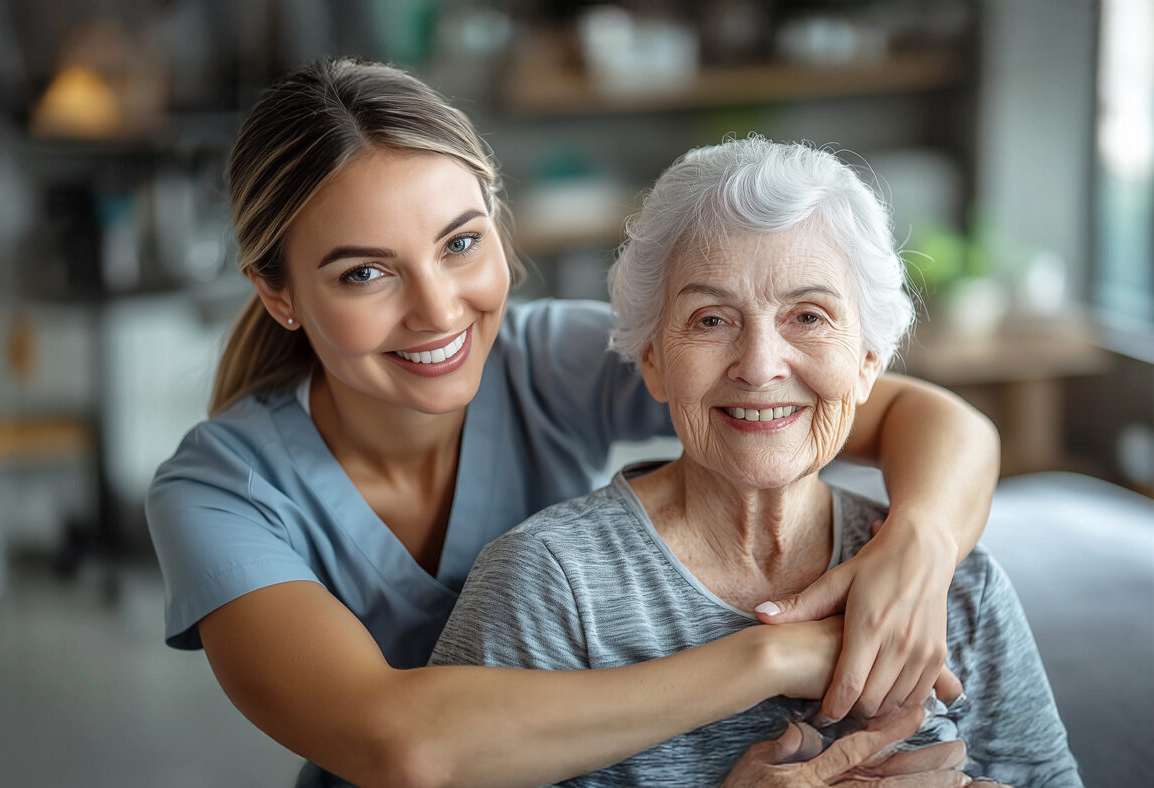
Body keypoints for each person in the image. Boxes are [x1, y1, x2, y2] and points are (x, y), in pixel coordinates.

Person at [146, 59, 1002, 788]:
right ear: (278, 294)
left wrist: (919, 544)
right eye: (366, 273)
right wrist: (773, 656)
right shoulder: (221, 494)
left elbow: (929, 417)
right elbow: (400, 744)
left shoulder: (542, 355)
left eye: (459, 244)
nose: (439, 312)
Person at [430, 136, 1080, 787]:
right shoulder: (547, 585)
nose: (761, 365)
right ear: (652, 360)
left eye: (808, 315)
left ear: (868, 362)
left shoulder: (952, 586)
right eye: (711, 320)